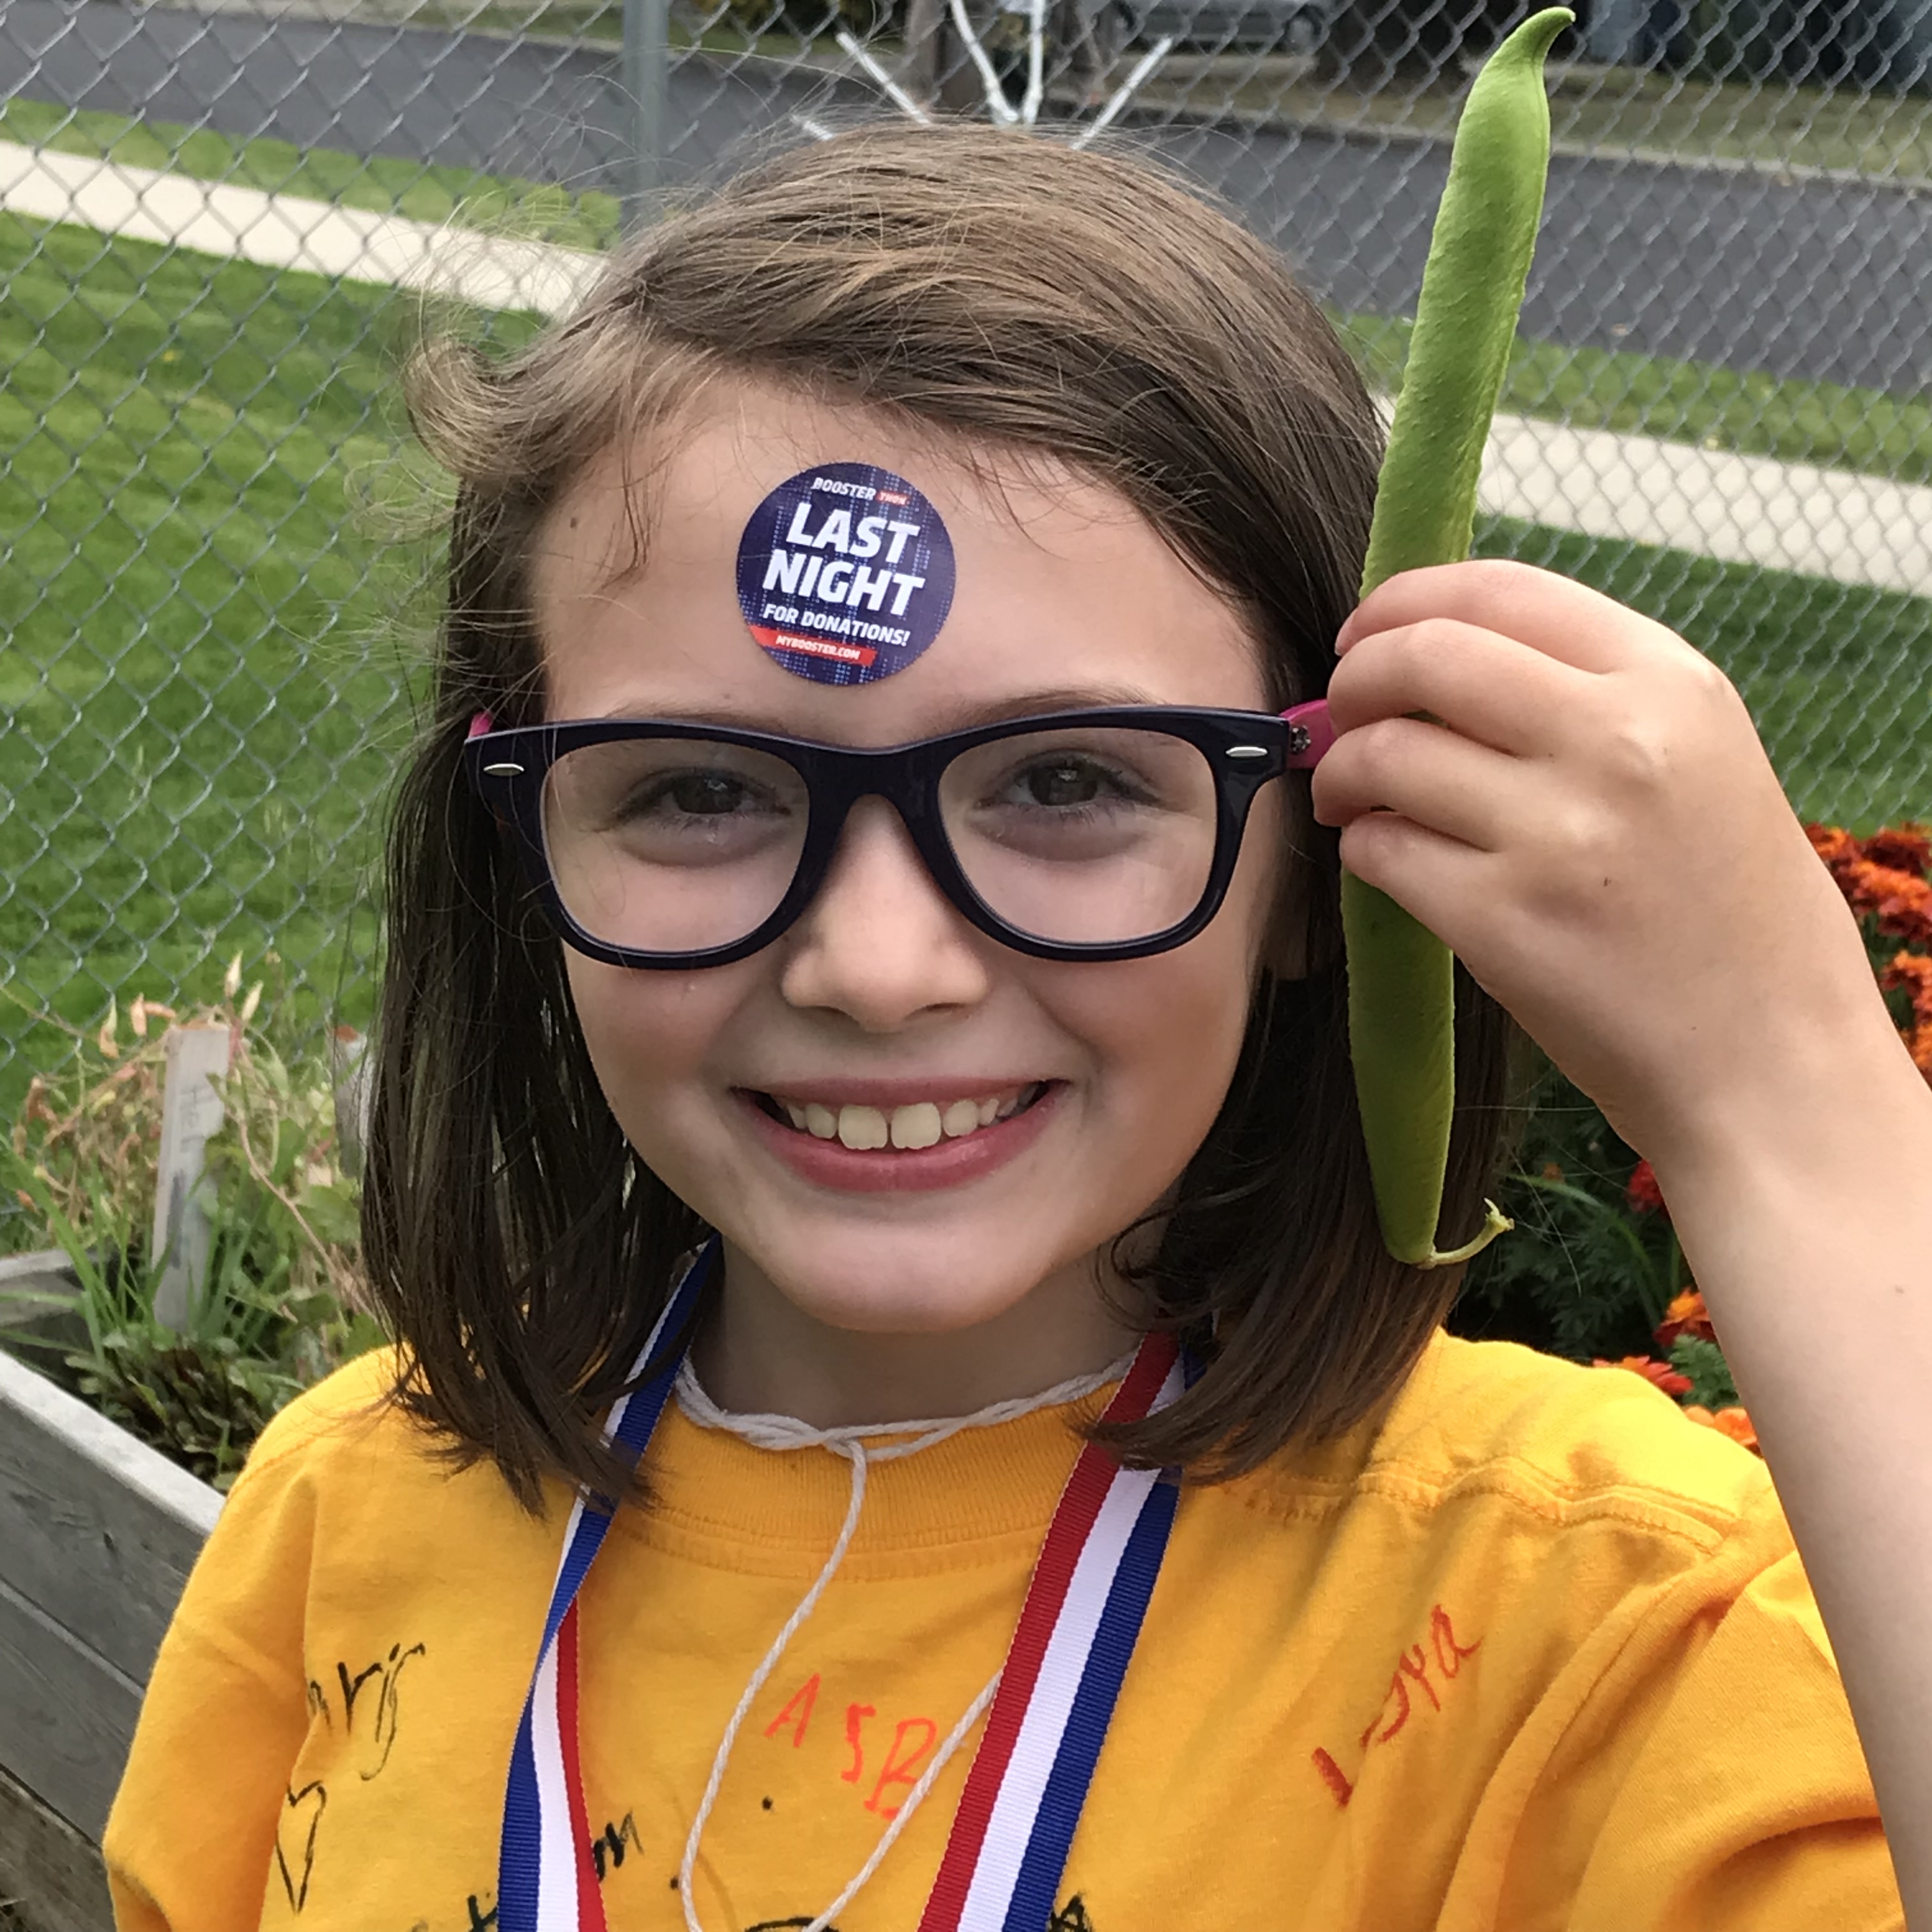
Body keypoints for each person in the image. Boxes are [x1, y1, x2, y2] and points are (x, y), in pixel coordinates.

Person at [103, 124, 1928, 1932]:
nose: (877, 966)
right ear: (524, 845)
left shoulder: (1605, 1625)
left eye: (1067, 781)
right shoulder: (344, 1524)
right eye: (699, 790)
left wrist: (1792, 1105)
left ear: (1319, 860)